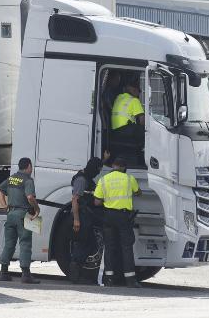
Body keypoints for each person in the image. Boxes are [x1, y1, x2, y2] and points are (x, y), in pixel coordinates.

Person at [93, 157, 142, 288]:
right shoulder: (129, 179)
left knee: (109, 247)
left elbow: (97, 202)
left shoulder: (103, 180)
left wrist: (108, 201)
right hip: (123, 216)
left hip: (108, 216)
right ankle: (130, 280)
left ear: (113, 166)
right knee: (126, 247)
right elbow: (138, 193)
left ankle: (109, 279)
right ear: (124, 167)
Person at [0, 157, 41, 284]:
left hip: (10, 215)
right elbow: (30, 197)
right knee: (25, 243)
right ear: (28, 166)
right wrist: (36, 208)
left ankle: (4, 272)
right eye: (31, 167)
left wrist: (4, 205)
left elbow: (0, 190)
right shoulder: (28, 180)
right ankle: (26, 275)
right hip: (23, 215)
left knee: (9, 244)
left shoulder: (11, 179)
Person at [68, 156, 105, 284]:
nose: (98, 173)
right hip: (81, 217)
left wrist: (104, 159)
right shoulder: (81, 180)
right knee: (83, 244)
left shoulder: (86, 177)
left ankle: (78, 274)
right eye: (98, 170)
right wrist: (76, 220)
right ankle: (75, 275)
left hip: (86, 216)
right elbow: (75, 199)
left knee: (90, 243)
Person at [110, 75, 145, 164]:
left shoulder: (118, 98)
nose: (139, 93)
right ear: (134, 90)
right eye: (138, 91)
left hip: (115, 134)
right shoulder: (134, 101)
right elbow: (142, 121)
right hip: (127, 135)